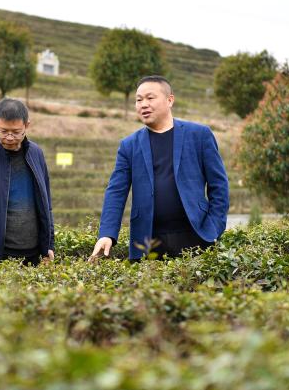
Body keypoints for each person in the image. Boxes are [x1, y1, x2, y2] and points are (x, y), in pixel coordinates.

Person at [90, 75, 230, 261]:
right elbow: (116, 191)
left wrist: (214, 227)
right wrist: (107, 234)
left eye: (150, 98)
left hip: (197, 237)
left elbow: (219, 185)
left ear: (169, 100)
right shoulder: (129, 145)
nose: (143, 104)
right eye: (139, 100)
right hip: (148, 242)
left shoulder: (199, 135)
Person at [0, 98, 55, 270]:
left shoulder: (36, 153)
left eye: (16, 132)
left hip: (34, 256)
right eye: (3, 131)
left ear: (27, 126)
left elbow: (46, 204)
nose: (10, 137)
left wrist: (49, 244)